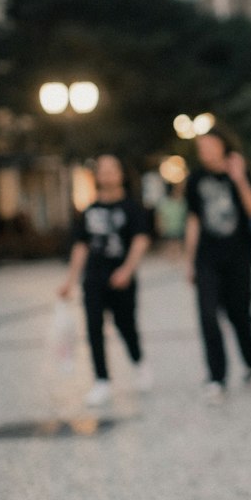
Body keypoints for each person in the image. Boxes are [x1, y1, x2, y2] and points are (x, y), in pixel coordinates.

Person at [57, 154, 152, 408]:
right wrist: (70, 281)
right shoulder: (89, 211)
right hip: (94, 278)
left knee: (126, 325)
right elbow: (81, 246)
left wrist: (127, 270)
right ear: (97, 176)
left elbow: (141, 240)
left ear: (121, 174)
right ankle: (102, 380)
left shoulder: (132, 208)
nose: (107, 174)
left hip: (122, 277)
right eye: (102, 170)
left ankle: (139, 362)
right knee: (93, 328)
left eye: (112, 169)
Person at [184, 130, 251, 403]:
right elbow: (194, 220)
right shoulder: (195, 179)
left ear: (223, 146)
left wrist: (239, 179)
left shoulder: (239, 172)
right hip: (207, 258)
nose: (205, 151)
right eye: (201, 147)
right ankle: (217, 377)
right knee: (207, 316)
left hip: (239, 257)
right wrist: (190, 261)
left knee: (240, 316)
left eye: (210, 145)